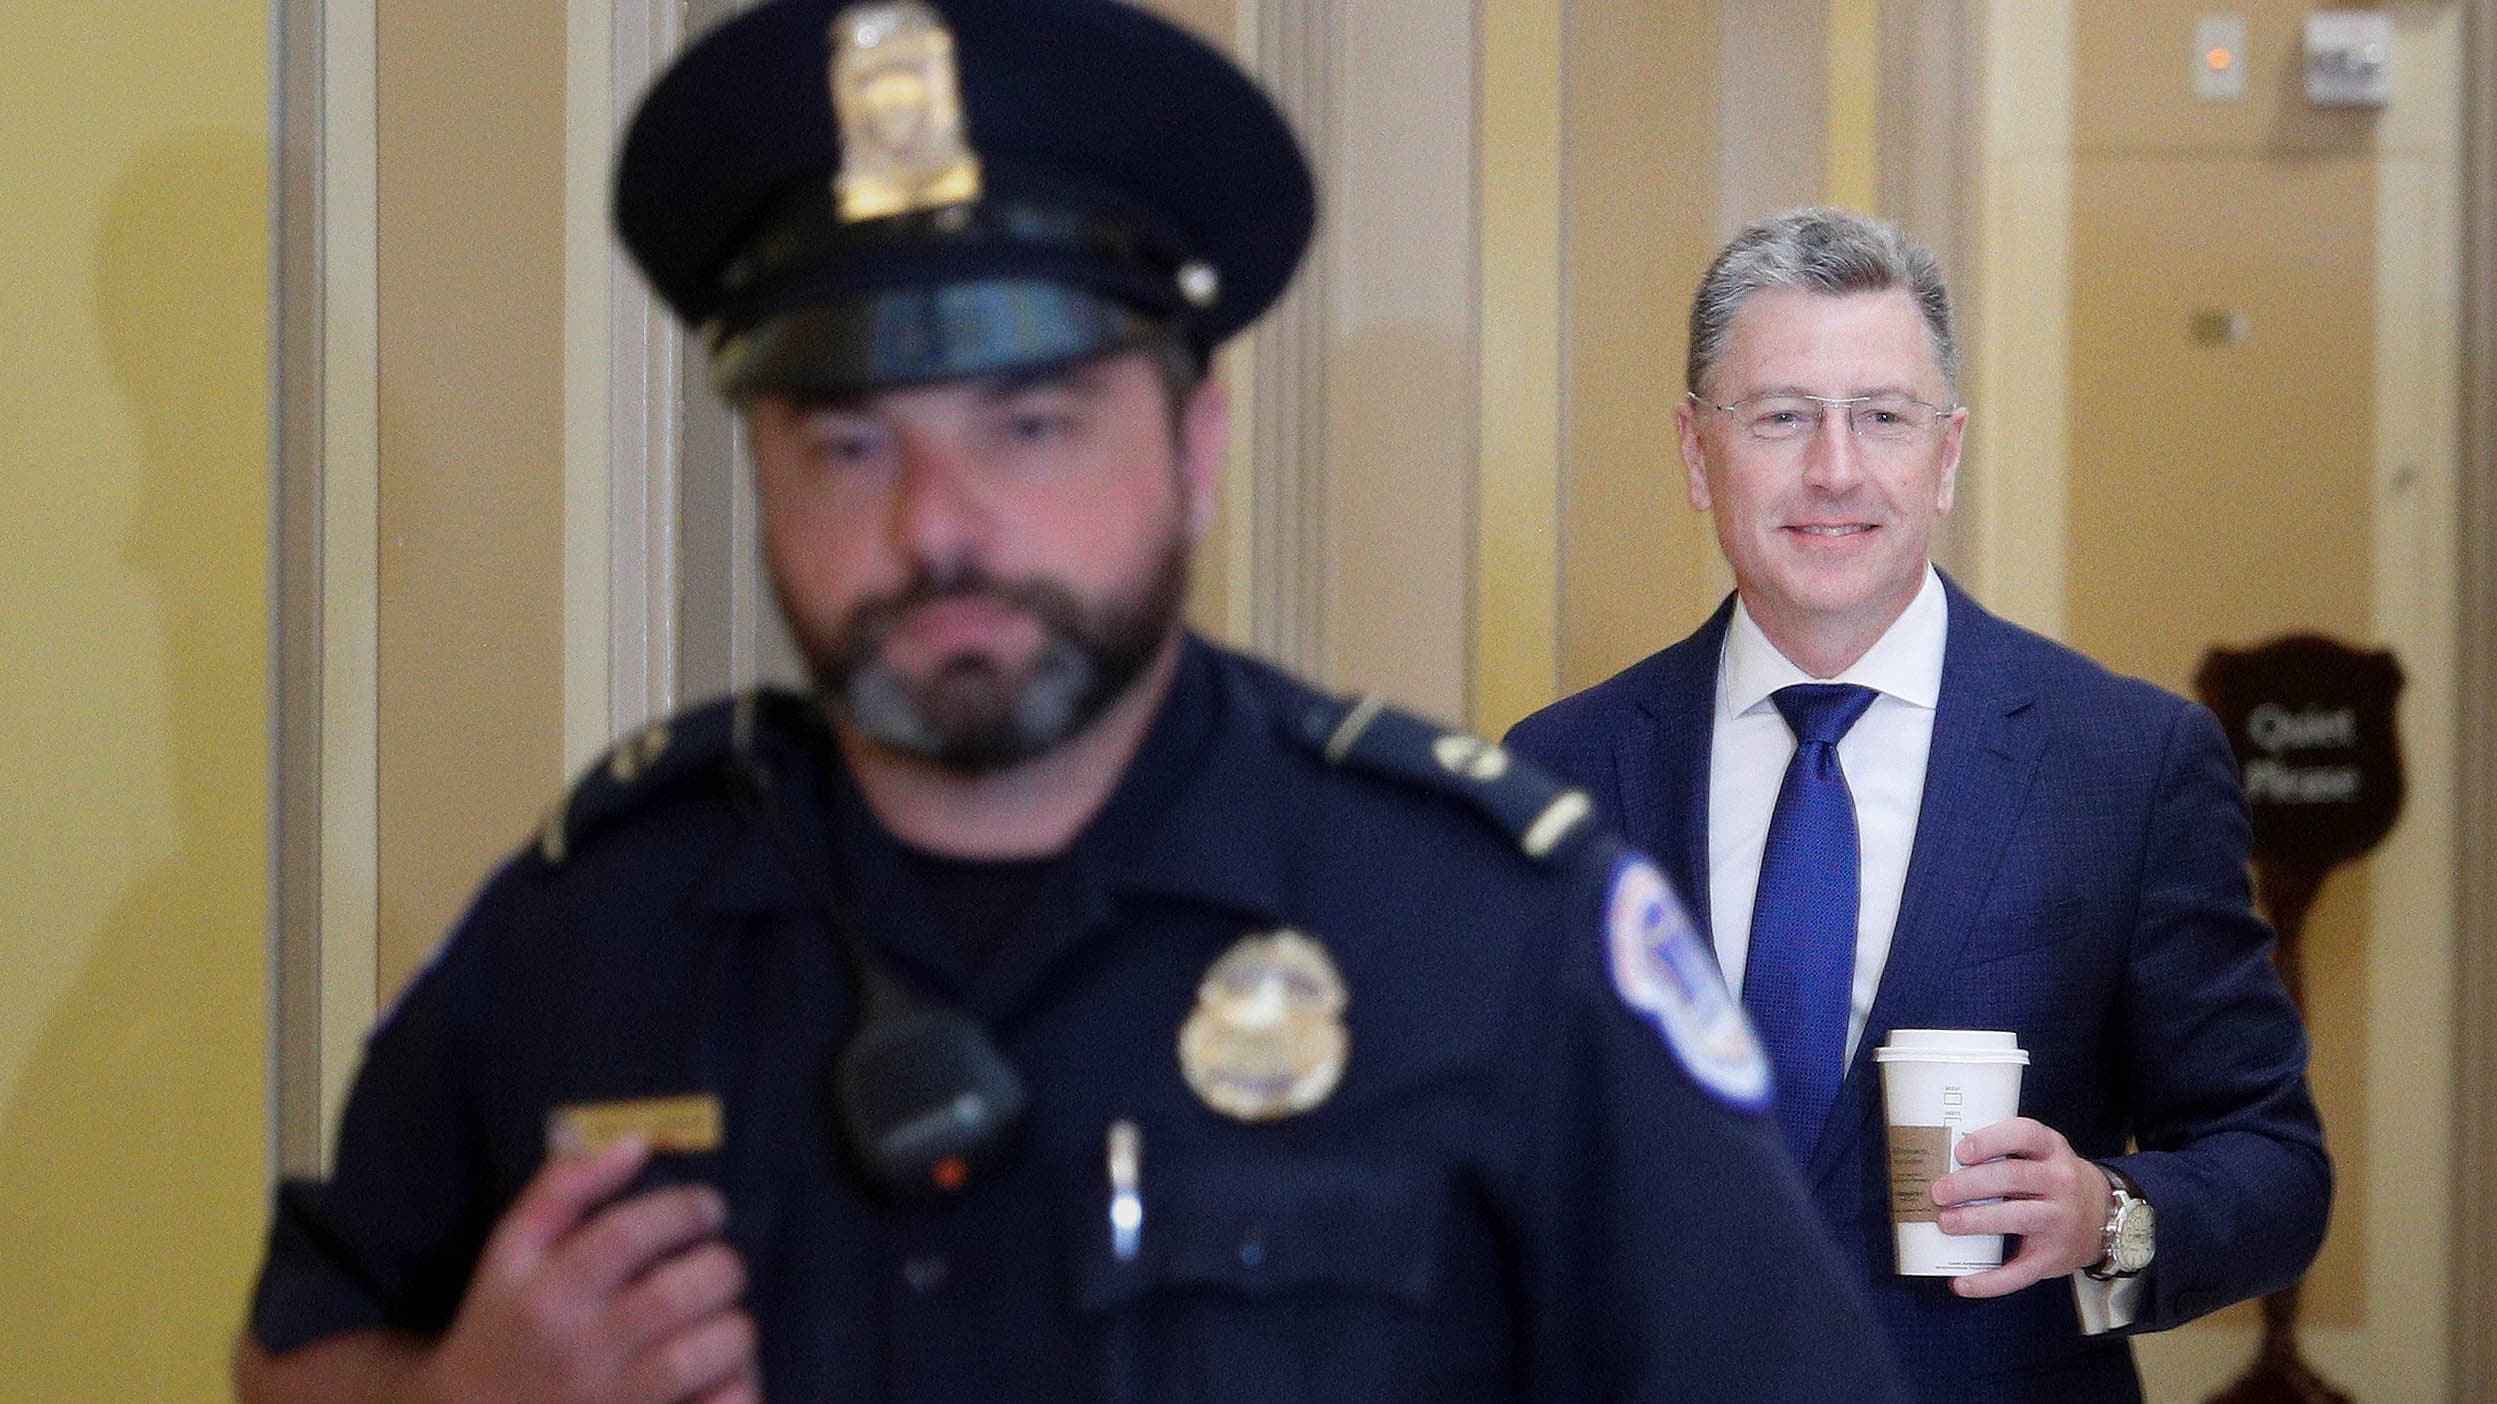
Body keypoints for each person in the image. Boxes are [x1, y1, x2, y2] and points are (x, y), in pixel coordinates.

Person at [232, 7, 1908, 1402]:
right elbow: (289, 1349)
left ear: (1194, 450)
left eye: (1030, 424)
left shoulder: (1492, 930)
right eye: (850, 442)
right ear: (759, 470)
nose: (937, 522)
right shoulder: (595, 924)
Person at [1506, 206, 2331, 1402]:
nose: (1833, 468)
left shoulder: (2127, 763)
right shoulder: (1560, 771)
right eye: (1781, 417)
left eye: (1881, 418)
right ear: (1695, 453)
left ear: (1945, 457)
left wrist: (2108, 1217)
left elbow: (2274, 1167)